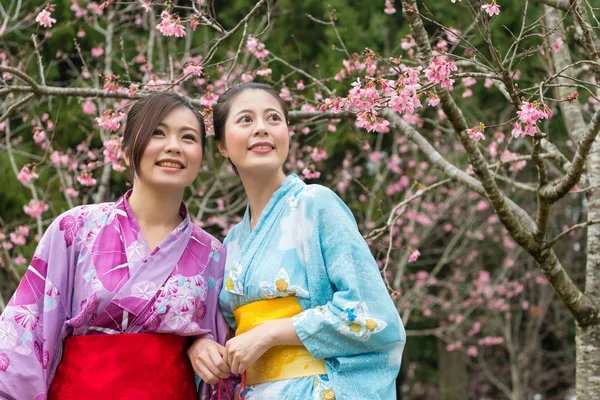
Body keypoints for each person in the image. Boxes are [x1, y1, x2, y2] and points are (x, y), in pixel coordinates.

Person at [0, 92, 231, 400]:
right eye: (157, 133)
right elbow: (24, 335)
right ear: (125, 151)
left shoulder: (213, 254)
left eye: (188, 137)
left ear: (200, 156)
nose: (173, 146)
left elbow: (224, 357)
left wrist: (198, 344)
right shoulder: (77, 228)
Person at [189, 82, 406, 399]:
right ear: (221, 144)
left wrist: (271, 333)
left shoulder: (316, 204)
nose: (262, 128)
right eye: (246, 120)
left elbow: (372, 316)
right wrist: (203, 347)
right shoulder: (232, 242)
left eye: (274, 118)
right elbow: (224, 332)